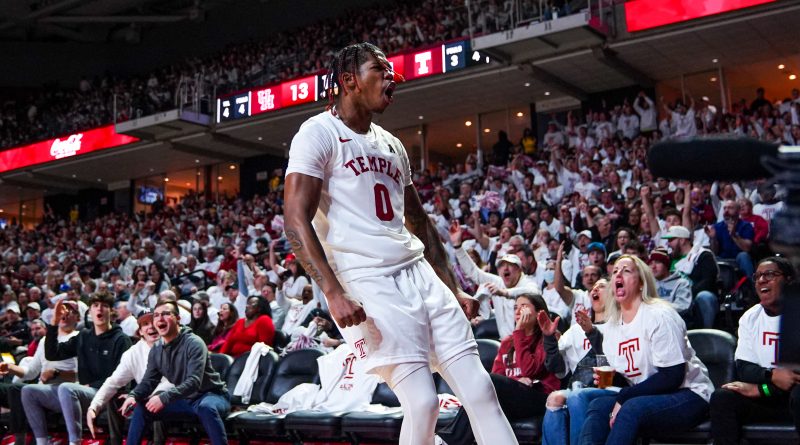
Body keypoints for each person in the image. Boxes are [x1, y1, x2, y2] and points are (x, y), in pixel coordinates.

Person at [283, 42, 518, 444]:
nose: (393, 78)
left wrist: (453, 286)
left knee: (480, 390)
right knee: (423, 402)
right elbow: (294, 217)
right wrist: (332, 292)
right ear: (349, 80)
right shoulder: (317, 133)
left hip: (418, 272)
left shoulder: (391, 144)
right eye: (381, 69)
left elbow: (419, 221)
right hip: (366, 279)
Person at [580, 255, 714, 444]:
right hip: (648, 396)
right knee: (598, 406)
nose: (619, 274)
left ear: (641, 283)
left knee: (631, 408)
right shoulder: (611, 327)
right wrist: (615, 378)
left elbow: (672, 376)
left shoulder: (659, 315)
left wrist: (625, 396)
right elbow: (631, 377)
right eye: (615, 271)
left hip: (690, 394)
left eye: (626, 270)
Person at [442, 294, 559, 445]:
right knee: (484, 391)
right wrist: (515, 382)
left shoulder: (548, 338)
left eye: (524, 306)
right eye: (515, 307)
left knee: (490, 383)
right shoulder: (508, 342)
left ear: (539, 313)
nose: (518, 311)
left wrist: (519, 332)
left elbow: (530, 370)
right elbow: (495, 378)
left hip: (540, 398)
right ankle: (450, 441)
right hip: (513, 400)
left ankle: (447, 439)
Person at [709, 257, 799, 443]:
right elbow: (745, 368)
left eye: (770, 274)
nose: (761, 280)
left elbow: (794, 380)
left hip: (794, 398)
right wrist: (770, 378)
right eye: (757, 276)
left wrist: (761, 388)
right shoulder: (750, 317)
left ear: (789, 280)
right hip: (769, 398)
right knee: (723, 397)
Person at [23, 292, 131, 445]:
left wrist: (91, 385)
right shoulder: (84, 336)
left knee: (67, 388)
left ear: (111, 312)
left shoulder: (121, 339)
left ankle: (75, 442)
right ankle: (42, 442)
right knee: (29, 391)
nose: (99, 309)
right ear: (90, 312)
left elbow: (122, 378)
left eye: (104, 306)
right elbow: (53, 354)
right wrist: (53, 323)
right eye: (95, 305)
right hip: (84, 393)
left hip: (106, 396)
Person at [120, 300, 230, 445]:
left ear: (178, 319)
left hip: (211, 396)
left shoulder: (194, 343)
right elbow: (148, 382)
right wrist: (133, 395)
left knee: (206, 408)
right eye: (157, 315)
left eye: (166, 314)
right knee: (142, 408)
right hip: (186, 400)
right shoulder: (157, 349)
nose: (160, 318)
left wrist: (164, 398)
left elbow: (194, 382)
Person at [540, 279, 612, 445]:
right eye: (593, 287)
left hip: (609, 387)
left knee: (574, 397)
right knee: (555, 398)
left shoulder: (620, 326)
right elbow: (557, 367)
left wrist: (591, 332)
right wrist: (549, 339)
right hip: (578, 388)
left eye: (601, 286)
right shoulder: (575, 330)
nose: (595, 289)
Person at [86, 312, 173, 444]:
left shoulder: (174, 345)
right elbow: (113, 382)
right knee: (114, 399)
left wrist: (135, 395)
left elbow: (172, 383)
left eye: (153, 322)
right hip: (144, 397)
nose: (151, 327)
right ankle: (116, 442)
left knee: (158, 398)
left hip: (173, 398)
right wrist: (94, 407)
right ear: (140, 332)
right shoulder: (133, 353)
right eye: (145, 324)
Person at [0, 302, 80, 445]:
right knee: (10, 389)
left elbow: (82, 374)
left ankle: (32, 441)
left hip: (66, 388)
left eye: (70, 311)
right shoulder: (45, 340)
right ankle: (18, 438)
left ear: (78, 318)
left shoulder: (80, 338)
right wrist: (10, 367)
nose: (65, 313)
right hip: (42, 387)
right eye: (62, 310)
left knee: (25, 390)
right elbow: (30, 372)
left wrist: (56, 373)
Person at [664, 225, 719, 329]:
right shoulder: (668, 259)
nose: (668, 243)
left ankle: (705, 336)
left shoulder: (703, 255)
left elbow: (708, 281)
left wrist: (686, 294)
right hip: (673, 298)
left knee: (705, 296)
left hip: (695, 298)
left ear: (682, 240)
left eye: (671, 240)